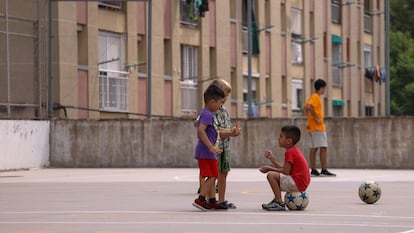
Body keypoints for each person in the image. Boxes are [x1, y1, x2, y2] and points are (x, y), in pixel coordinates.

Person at [195, 78, 241, 209]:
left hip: (224, 147)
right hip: (214, 147)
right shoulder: (210, 111)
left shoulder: (222, 109)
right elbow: (214, 129)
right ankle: (207, 199)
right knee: (212, 174)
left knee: (223, 173)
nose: (225, 99)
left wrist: (233, 131)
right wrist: (231, 132)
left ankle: (220, 200)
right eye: (224, 95)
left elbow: (224, 127)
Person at [259, 125, 311, 211]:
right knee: (274, 175)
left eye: (281, 136)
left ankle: (279, 202)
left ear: (289, 141)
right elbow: (285, 169)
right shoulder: (293, 150)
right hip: (301, 182)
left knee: (271, 175)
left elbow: (285, 171)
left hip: (297, 182)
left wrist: (269, 168)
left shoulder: (290, 152)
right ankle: (277, 199)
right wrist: (272, 158)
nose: (278, 138)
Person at [192, 84, 226, 211]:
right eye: (220, 103)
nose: (220, 106)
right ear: (212, 101)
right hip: (206, 151)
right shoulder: (207, 114)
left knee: (213, 175)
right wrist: (211, 147)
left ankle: (211, 201)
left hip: (207, 151)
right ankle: (200, 199)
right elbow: (201, 131)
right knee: (212, 176)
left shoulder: (205, 113)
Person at [304, 79, 336, 177]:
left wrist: (310, 118)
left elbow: (305, 107)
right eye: (324, 88)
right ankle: (323, 169)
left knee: (314, 148)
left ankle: (314, 170)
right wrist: (316, 118)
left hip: (312, 127)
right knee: (323, 147)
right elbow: (309, 107)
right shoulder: (316, 97)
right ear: (321, 88)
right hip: (317, 127)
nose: (324, 90)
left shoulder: (312, 97)